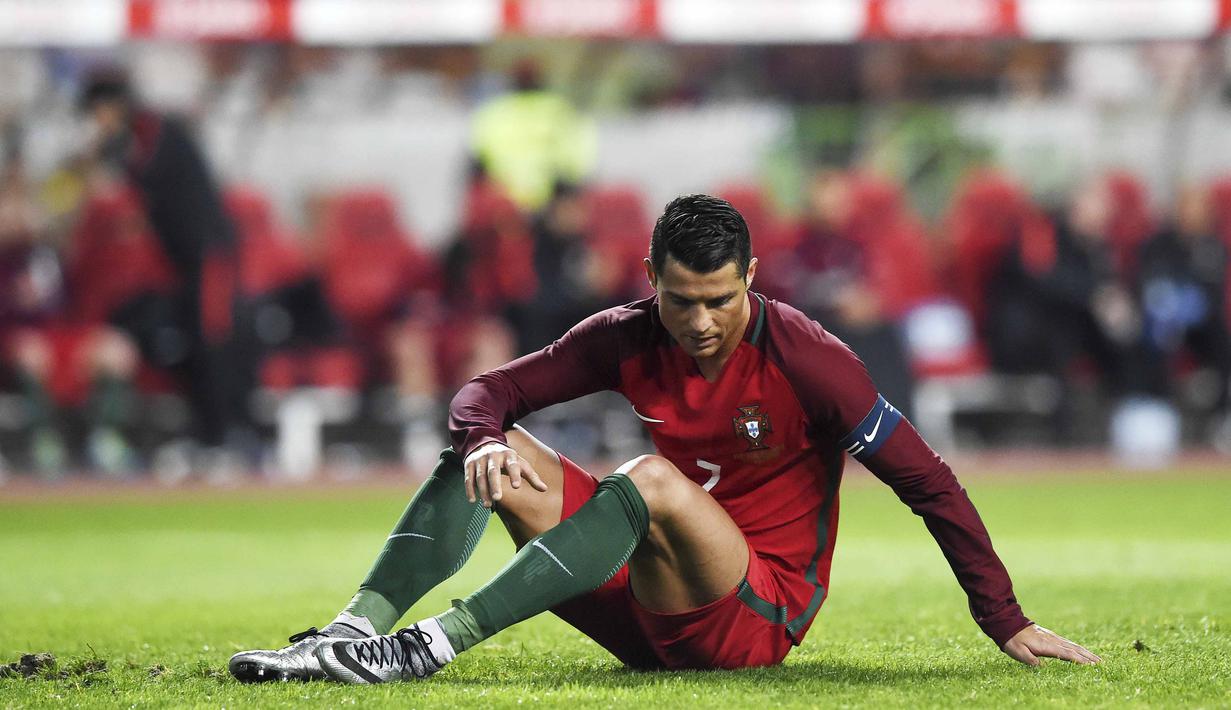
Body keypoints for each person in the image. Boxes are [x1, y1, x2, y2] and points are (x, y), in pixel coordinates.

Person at [229, 195, 1098, 684]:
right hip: (646, 609)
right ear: (651, 280)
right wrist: (483, 435)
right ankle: (348, 633)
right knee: (492, 448)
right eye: (682, 300)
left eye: (721, 299)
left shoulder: (810, 361)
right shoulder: (623, 333)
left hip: (756, 613)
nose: (702, 320)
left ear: (751, 279)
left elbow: (928, 482)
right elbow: (484, 392)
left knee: (648, 479)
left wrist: (1003, 618)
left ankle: (427, 648)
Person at [78, 70, 255, 466]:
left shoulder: (154, 131)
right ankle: (210, 434)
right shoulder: (138, 139)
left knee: (214, 340)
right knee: (194, 340)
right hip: (186, 262)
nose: (97, 123)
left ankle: (225, 436)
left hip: (209, 253)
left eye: (98, 113)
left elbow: (141, 172)